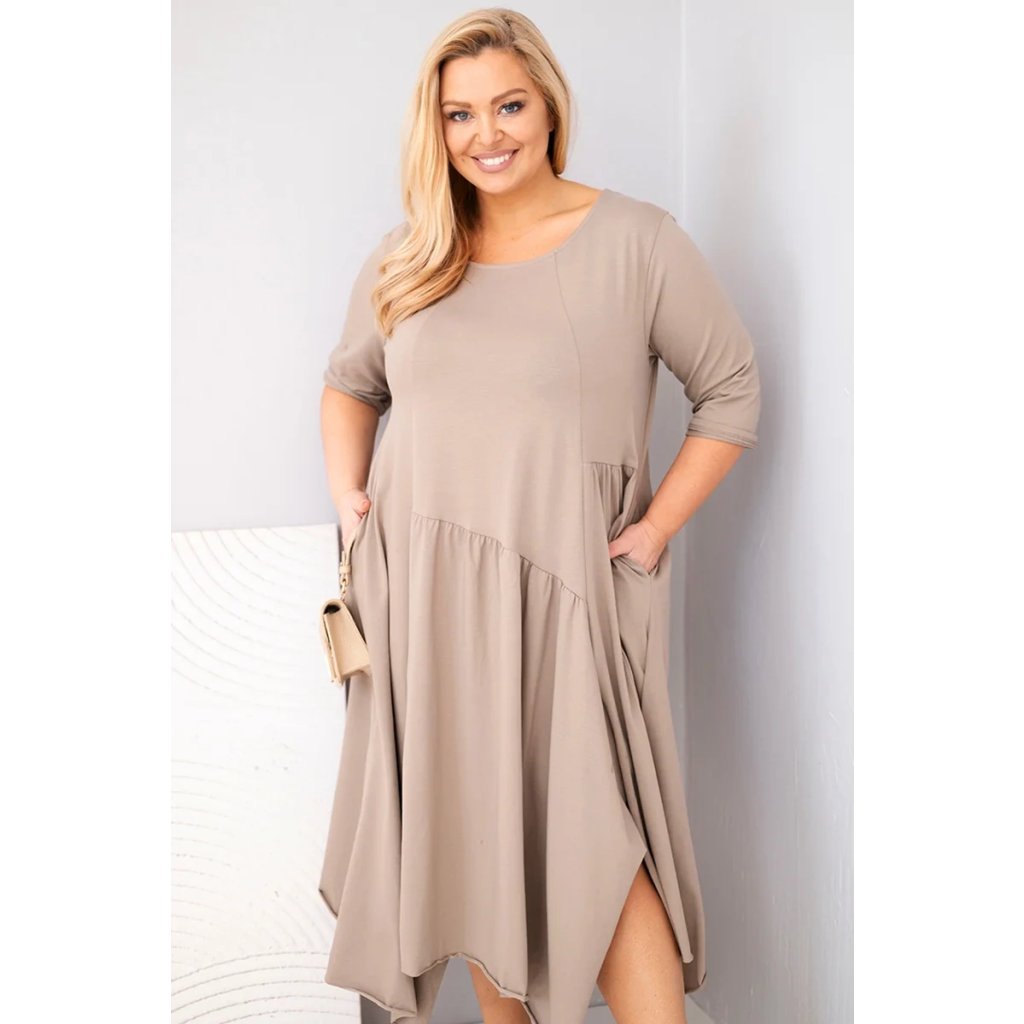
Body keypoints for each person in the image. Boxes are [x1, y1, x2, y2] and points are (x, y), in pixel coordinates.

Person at [317, 9, 761, 1024]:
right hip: (425, 603)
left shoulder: (636, 241)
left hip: (568, 598)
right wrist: (351, 503)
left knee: (600, 842)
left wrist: (653, 530)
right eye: (459, 114)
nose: (487, 134)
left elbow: (732, 389)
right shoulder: (411, 255)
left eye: (508, 105)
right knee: (476, 850)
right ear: (435, 129)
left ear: (549, 107)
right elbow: (349, 384)